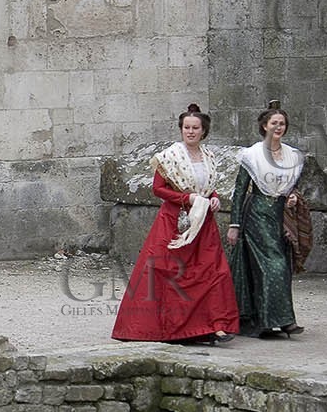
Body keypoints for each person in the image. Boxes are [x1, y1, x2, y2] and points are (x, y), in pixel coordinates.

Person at [112, 103, 239, 344]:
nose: (190, 132)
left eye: (195, 128)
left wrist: (213, 199)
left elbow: (209, 188)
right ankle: (173, 329)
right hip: (176, 221)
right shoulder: (169, 157)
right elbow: (158, 189)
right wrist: (186, 198)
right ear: (181, 130)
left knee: (212, 273)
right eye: (186, 127)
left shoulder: (209, 157)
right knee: (172, 273)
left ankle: (216, 325)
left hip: (203, 223)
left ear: (203, 131)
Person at [227, 101, 305, 338]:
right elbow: (240, 191)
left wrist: (292, 197)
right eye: (274, 123)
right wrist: (235, 224)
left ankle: (268, 320)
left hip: (280, 216)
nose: (278, 127)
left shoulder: (293, 155)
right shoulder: (251, 155)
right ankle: (283, 321)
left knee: (276, 267)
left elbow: (294, 187)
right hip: (258, 214)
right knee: (275, 265)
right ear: (264, 126)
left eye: (282, 124)